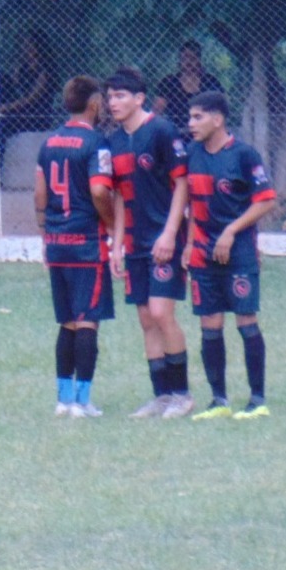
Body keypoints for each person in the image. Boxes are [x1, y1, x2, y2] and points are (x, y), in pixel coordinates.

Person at [181, 91, 277, 421]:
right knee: (209, 325)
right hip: (202, 253)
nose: (190, 123)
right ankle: (219, 400)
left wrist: (231, 230)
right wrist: (190, 242)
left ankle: (257, 400)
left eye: (198, 117)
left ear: (218, 119)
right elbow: (192, 203)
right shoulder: (191, 153)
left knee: (246, 322)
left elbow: (265, 200)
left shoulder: (244, 155)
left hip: (238, 253)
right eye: (190, 117)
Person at [105, 68, 194, 419]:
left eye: (121, 96)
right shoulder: (114, 141)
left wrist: (171, 234)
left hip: (163, 239)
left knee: (161, 312)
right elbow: (120, 197)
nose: (114, 102)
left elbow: (182, 184)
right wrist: (116, 244)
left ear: (139, 98)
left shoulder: (161, 131)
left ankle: (182, 395)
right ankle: (160, 396)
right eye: (110, 96)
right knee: (145, 319)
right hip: (136, 242)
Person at [35, 76, 120, 419]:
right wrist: (113, 225)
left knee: (68, 321)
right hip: (86, 243)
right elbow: (100, 191)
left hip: (57, 242)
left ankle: (62, 398)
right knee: (87, 322)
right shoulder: (96, 143)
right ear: (94, 103)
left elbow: (39, 193)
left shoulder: (49, 142)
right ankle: (82, 402)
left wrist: (45, 233)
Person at [154, 40, 223, 139]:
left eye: (193, 58)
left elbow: (220, 108)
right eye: (185, 58)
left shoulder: (210, 82)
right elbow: (157, 110)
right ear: (180, 60)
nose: (189, 62)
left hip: (204, 132)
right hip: (175, 131)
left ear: (199, 59)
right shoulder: (169, 82)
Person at [0, 30, 56, 135]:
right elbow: (12, 85)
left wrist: (7, 107)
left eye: (29, 44)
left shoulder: (45, 70)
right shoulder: (22, 66)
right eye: (24, 44)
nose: (25, 47)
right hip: (18, 106)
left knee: (7, 123)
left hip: (36, 112)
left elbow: (31, 98)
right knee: (1, 77)